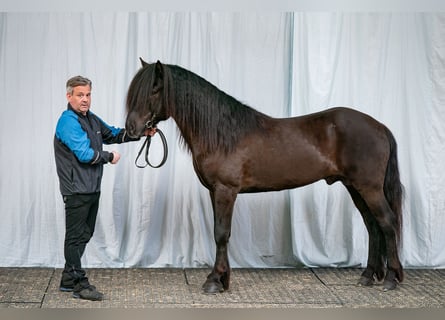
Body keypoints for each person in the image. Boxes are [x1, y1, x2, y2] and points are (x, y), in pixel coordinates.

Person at [54, 75, 155, 301]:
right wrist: (109, 157)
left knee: (85, 234)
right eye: (80, 95)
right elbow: (84, 153)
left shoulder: (90, 119)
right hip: (76, 190)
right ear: (69, 96)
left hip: (91, 188)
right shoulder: (68, 121)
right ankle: (79, 283)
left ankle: (68, 278)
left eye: (88, 95)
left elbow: (112, 133)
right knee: (74, 237)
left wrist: (141, 132)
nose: (85, 99)